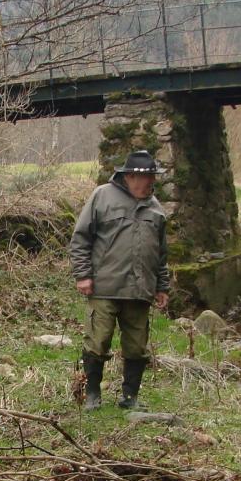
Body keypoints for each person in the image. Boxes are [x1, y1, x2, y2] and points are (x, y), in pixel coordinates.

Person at [70, 150, 171, 410]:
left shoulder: (156, 209)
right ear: (127, 177)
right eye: (143, 178)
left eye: (152, 177)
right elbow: (81, 238)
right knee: (97, 341)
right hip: (104, 286)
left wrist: (161, 287)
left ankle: (130, 398)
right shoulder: (102, 196)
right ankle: (92, 394)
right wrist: (83, 275)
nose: (148, 183)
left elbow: (160, 254)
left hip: (140, 291)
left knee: (137, 347)